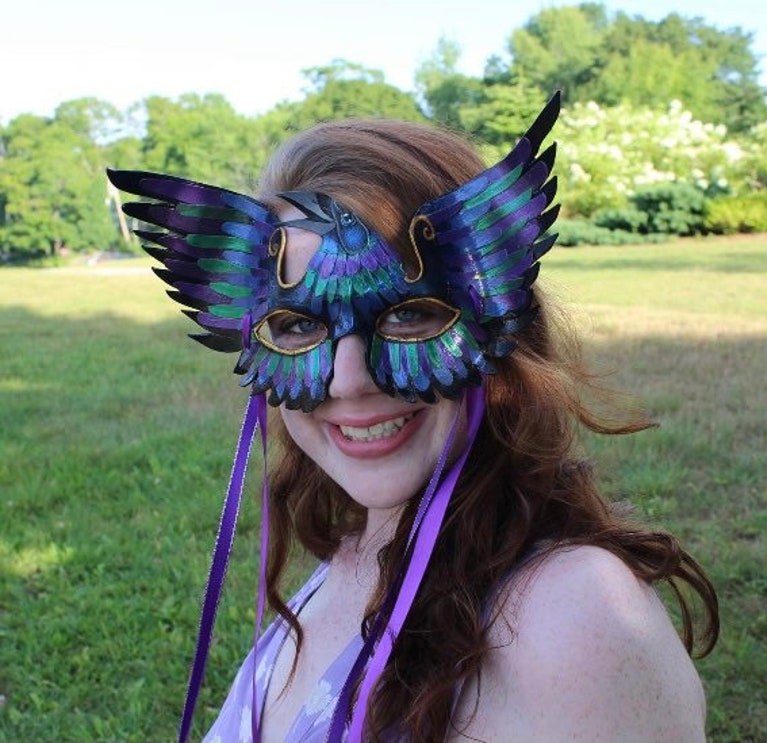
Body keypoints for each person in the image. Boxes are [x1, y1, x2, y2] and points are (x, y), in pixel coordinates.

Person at [108, 91, 719, 743]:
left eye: (408, 314)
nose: (348, 379)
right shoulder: (358, 552)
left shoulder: (572, 619)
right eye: (297, 324)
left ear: (500, 324)